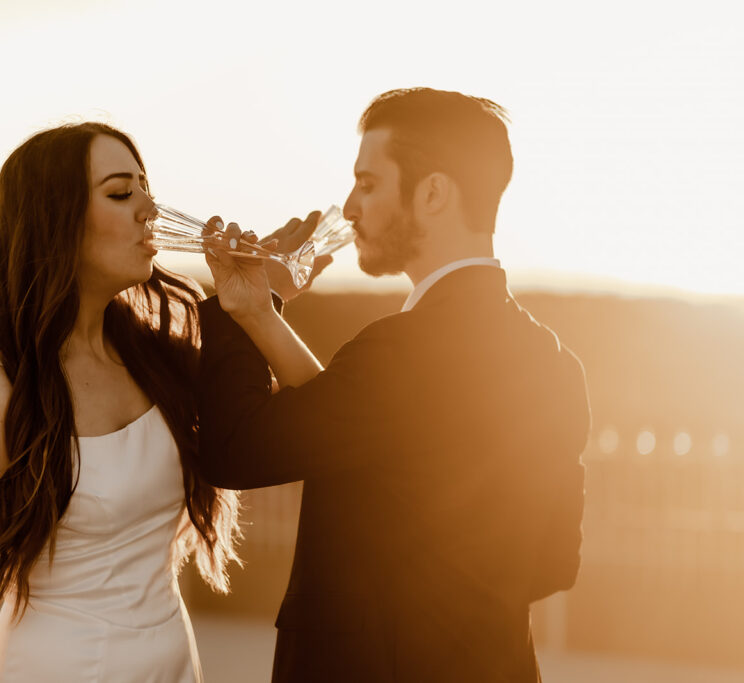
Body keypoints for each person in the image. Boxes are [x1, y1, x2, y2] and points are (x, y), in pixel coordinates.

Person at [198, 88, 592, 681]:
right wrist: (259, 313)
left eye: (368, 183)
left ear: (433, 192)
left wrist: (231, 314)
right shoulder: (556, 363)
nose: (349, 206)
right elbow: (554, 566)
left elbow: (236, 449)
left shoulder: (400, 353)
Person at [0, 121, 241, 683]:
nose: (150, 209)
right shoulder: (5, 388)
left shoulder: (162, 359)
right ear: (56, 222)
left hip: (172, 666)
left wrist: (260, 306)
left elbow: (291, 432)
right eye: (120, 192)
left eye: (144, 186)